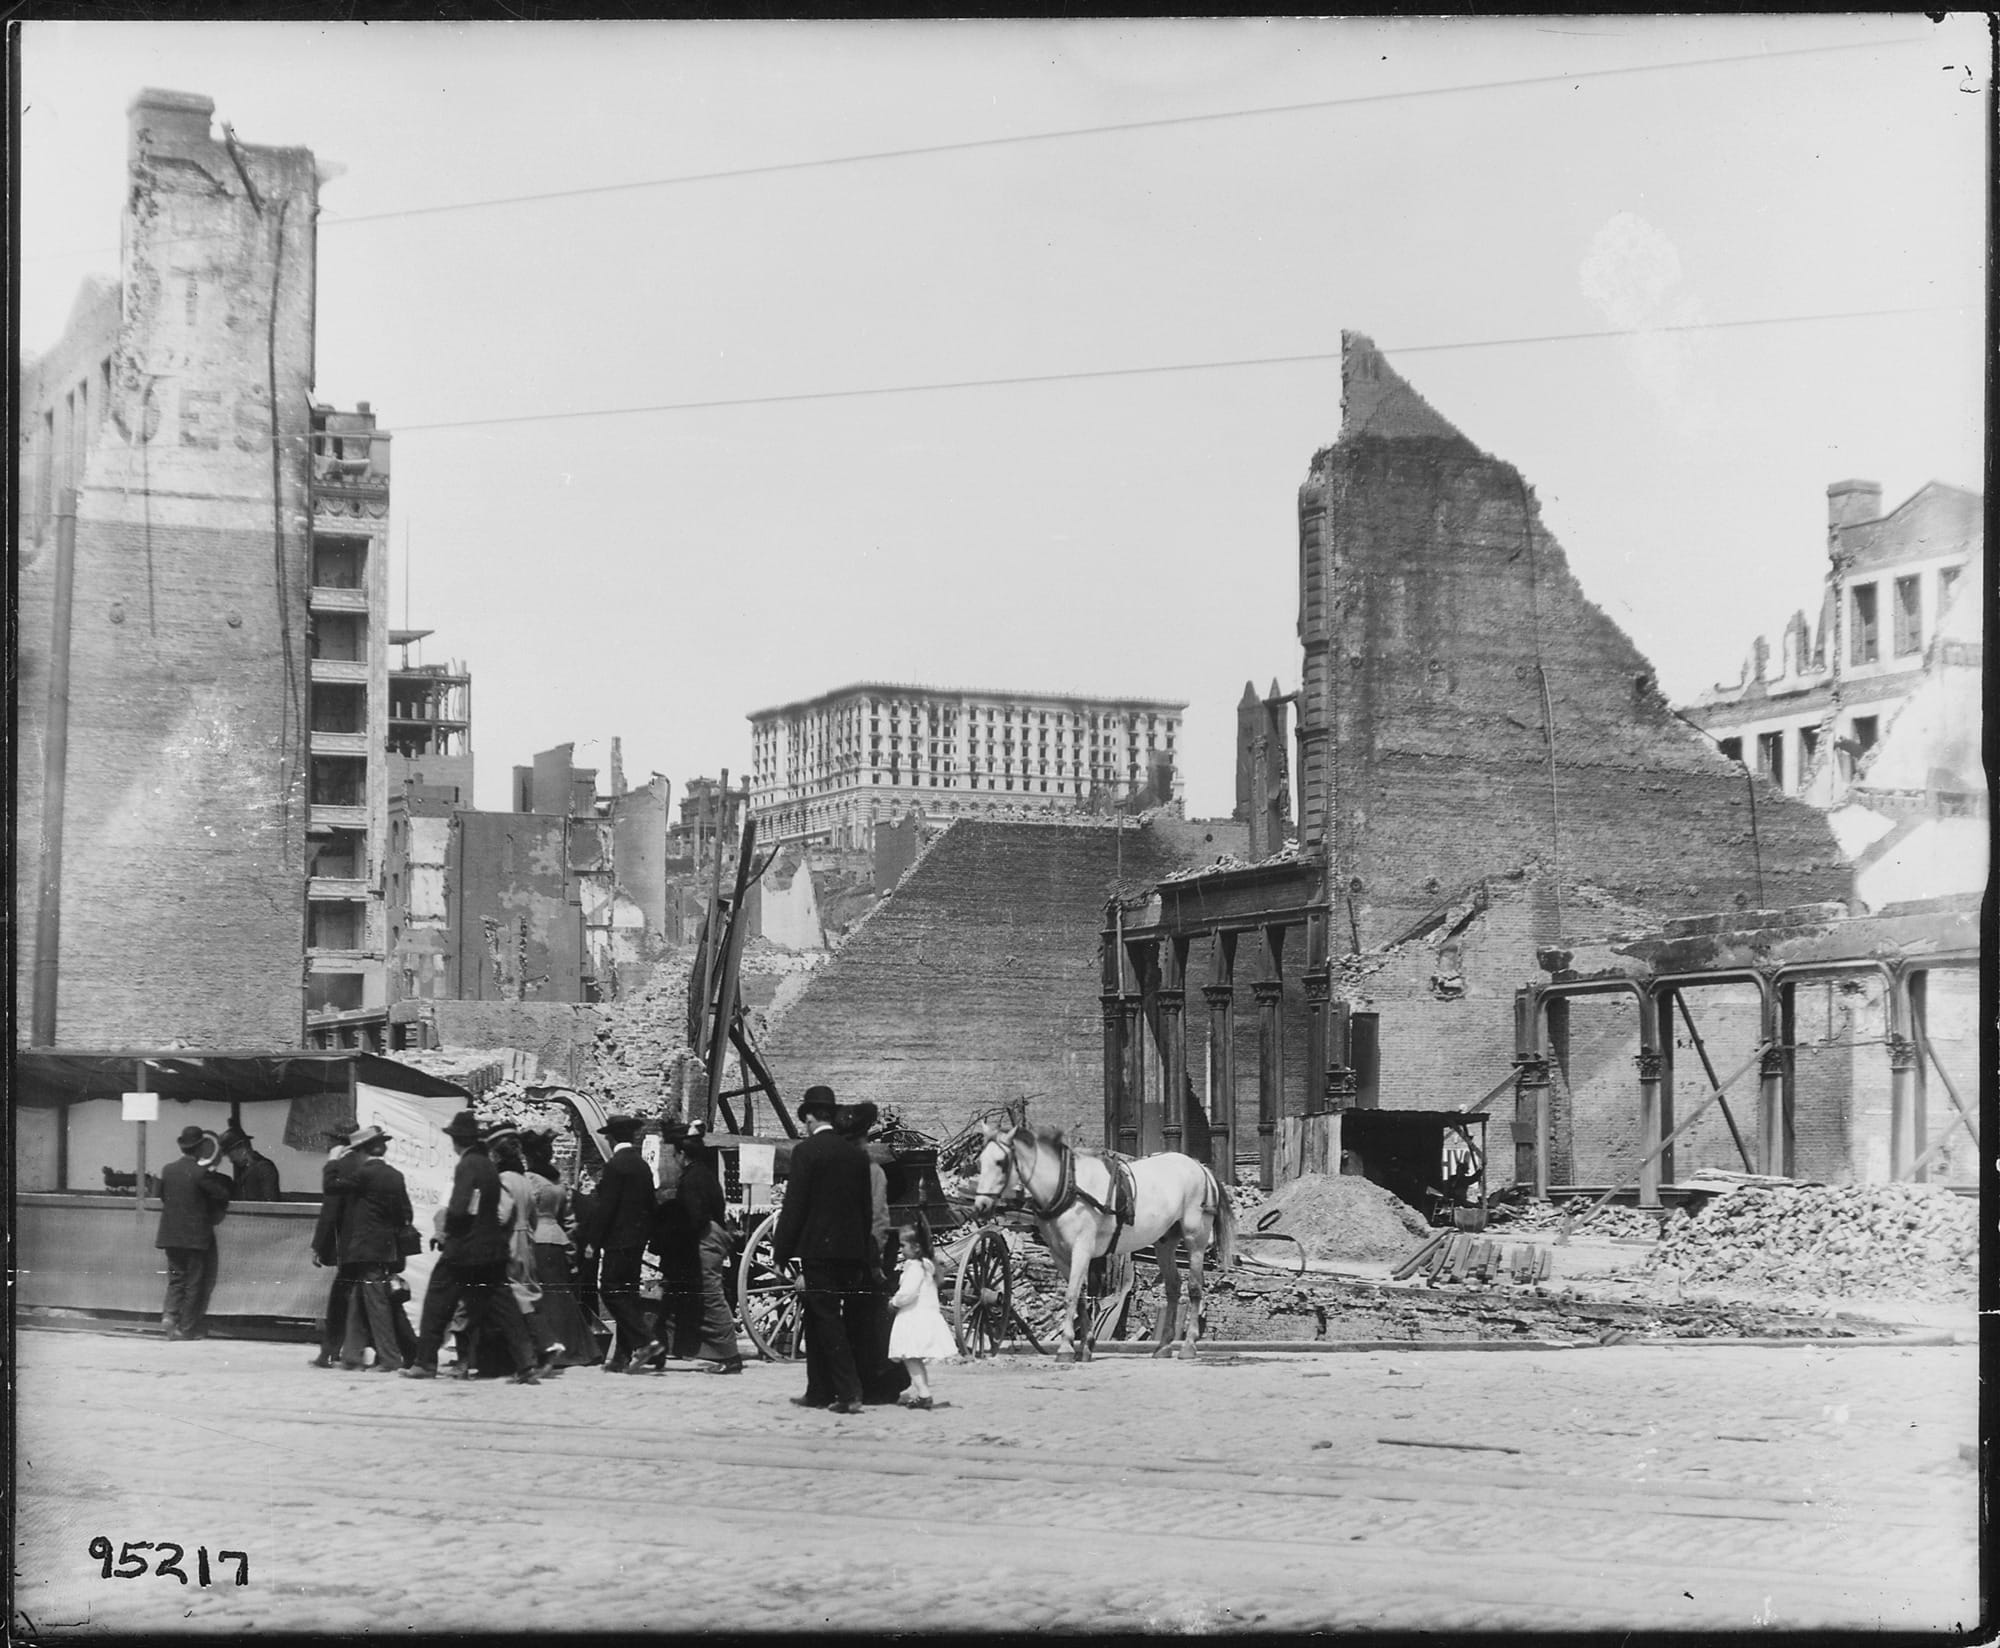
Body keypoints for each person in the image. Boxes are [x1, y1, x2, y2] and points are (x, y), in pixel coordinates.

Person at [402, 1110, 542, 1384]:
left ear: (456, 1141)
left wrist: (447, 1232)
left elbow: (458, 1206)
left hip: (463, 1250)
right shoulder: (489, 1166)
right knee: (506, 1308)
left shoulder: (466, 1166)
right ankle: (526, 1365)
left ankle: (425, 1363)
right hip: (492, 1250)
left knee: (437, 1304)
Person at [771, 1084, 875, 1414]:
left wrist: (781, 1250)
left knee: (826, 1320)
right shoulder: (856, 1156)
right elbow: (866, 1209)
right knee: (819, 1319)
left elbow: (795, 1206)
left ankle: (848, 1392)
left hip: (819, 1251)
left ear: (813, 1118)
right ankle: (818, 1389)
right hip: (850, 1250)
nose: (805, 1125)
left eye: (806, 1120)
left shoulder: (805, 1152)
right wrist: (862, 1251)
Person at [833, 1101, 908, 1405]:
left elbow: (877, 1220)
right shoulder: (870, 1169)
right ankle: (877, 1383)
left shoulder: (863, 1169)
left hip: (857, 1256)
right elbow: (879, 1220)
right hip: (864, 1255)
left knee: (863, 1321)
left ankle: (874, 1382)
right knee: (868, 1321)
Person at [335, 1125, 415, 1371]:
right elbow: (406, 1213)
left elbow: (332, 1186)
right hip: (386, 1248)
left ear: (362, 1151)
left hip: (366, 1249)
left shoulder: (364, 1174)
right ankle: (351, 1355)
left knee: (377, 1305)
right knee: (361, 1300)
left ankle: (390, 1359)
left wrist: (332, 1162)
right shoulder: (395, 1176)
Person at [521, 1130, 601, 1366]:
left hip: (536, 1239)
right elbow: (569, 1220)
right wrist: (569, 1247)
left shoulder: (529, 1181)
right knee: (560, 1297)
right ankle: (576, 1348)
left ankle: (545, 1347)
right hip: (557, 1241)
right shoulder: (559, 1184)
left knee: (538, 1296)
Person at [669, 1125, 744, 1374]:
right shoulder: (703, 1173)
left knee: (710, 1294)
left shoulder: (691, 1179)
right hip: (710, 1234)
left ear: (681, 1154)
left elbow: (696, 1218)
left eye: (674, 1154)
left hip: (705, 1238)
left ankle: (730, 1356)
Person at [490, 1130, 566, 1377]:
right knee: (527, 1290)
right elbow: (533, 1216)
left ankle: (543, 1345)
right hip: (526, 1240)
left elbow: (501, 1214)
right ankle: (541, 1346)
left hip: (510, 1239)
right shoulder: (524, 1180)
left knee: (514, 1294)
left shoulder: (503, 1180)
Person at [587, 1114, 658, 1373]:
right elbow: (652, 1205)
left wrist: (593, 1241)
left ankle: (645, 1339)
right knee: (628, 1294)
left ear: (612, 1137)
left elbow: (606, 1208)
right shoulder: (641, 1166)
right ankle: (621, 1357)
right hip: (637, 1240)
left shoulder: (615, 1166)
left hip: (617, 1239)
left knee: (610, 1290)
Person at [155, 1125, 233, 1340]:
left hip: (170, 1235)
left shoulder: (168, 1170)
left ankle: (169, 1315)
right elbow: (222, 1195)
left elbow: (161, 1195)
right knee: (194, 1283)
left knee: (176, 1279)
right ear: (200, 1148)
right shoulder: (201, 1173)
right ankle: (186, 1329)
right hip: (195, 1238)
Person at [887, 1223, 957, 1409]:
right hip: (923, 1316)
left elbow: (908, 1293)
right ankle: (923, 1392)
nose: (900, 1250)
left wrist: (894, 1302)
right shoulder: (927, 1266)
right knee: (913, 1358)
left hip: (914, 1318)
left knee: (910, 1356)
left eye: (903, 1246)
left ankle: (924, 1394)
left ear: (916, 1247)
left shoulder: (915, 1267)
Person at [309, 1120, 362, 1369]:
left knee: (339, 1301)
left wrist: (319, 1245)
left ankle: (329, 1351)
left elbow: (331, 1209)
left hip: (349, 1246)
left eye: (331, 1138)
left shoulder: (339, 1166)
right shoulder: (364, 1164)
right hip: (367, 1243)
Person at [218, 1126, 282, 1201]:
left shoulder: (264, 1168)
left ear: (242, 1149)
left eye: (231, 1155)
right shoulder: (244, 1170)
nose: (231, 1160)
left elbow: (270, 1203)